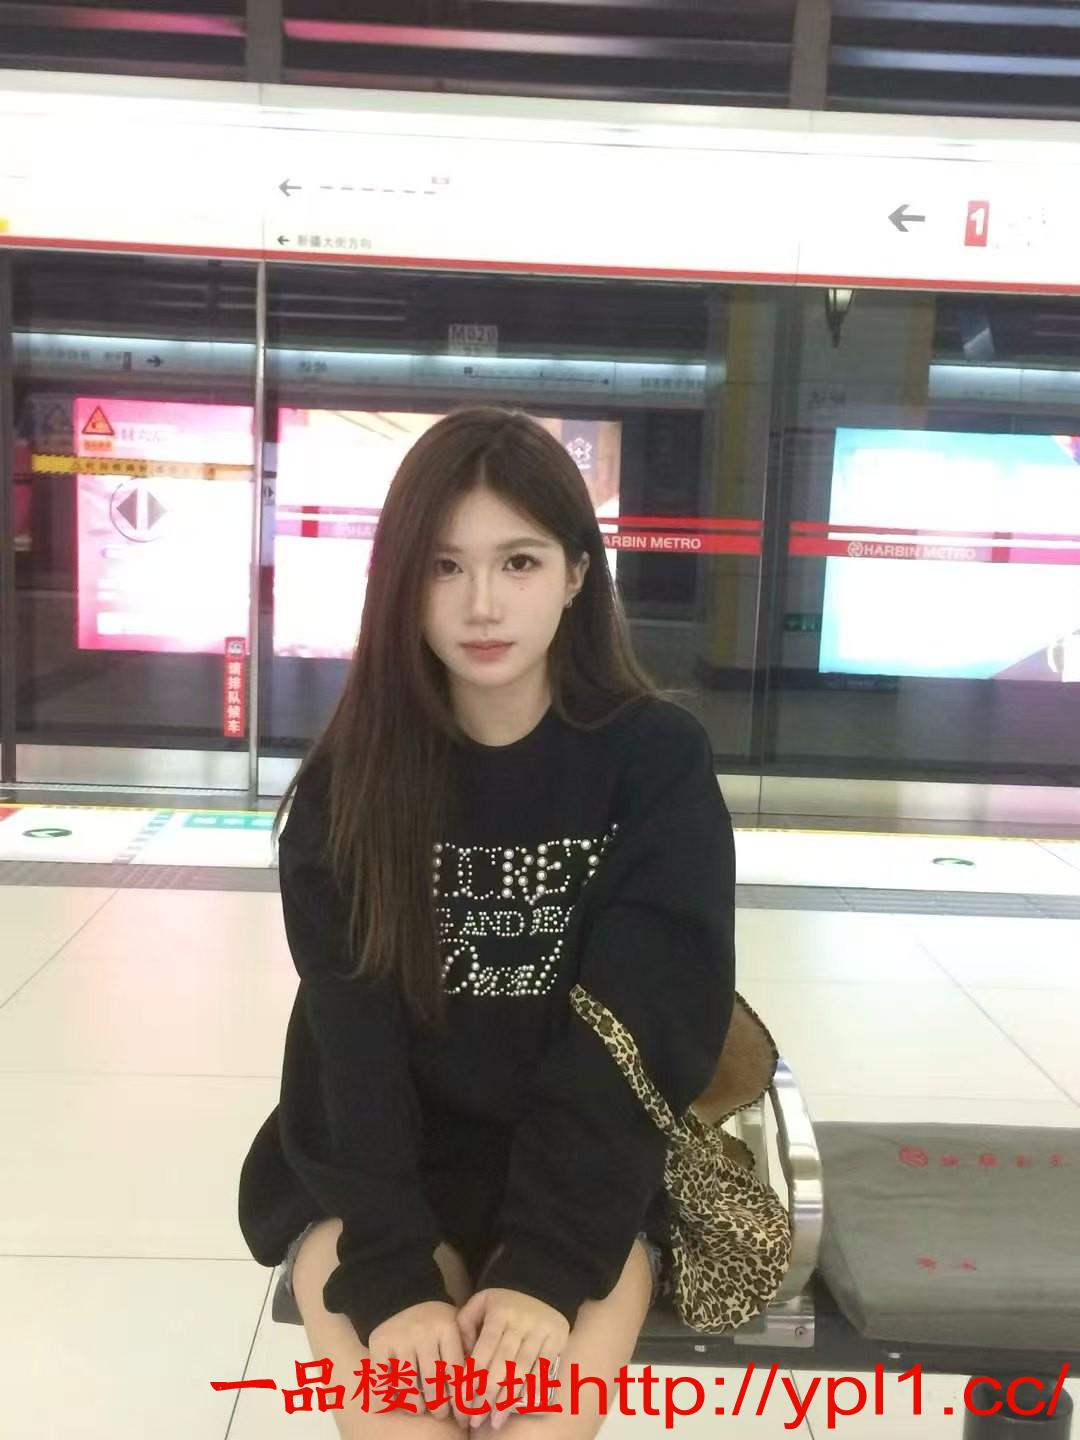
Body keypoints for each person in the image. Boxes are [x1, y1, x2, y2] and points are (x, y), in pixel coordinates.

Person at [238, 406, 737, 1440]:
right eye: (443, 566)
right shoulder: (348, 786)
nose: (481, 604)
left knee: (527, 1426)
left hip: (583, 1181)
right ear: (399, 582)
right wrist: (395, 1273)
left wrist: (545, 1265)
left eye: (518, 561)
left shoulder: (653, 761)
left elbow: (640, 1026)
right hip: (380, 1178)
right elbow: (350, 1045)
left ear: (577, 573)